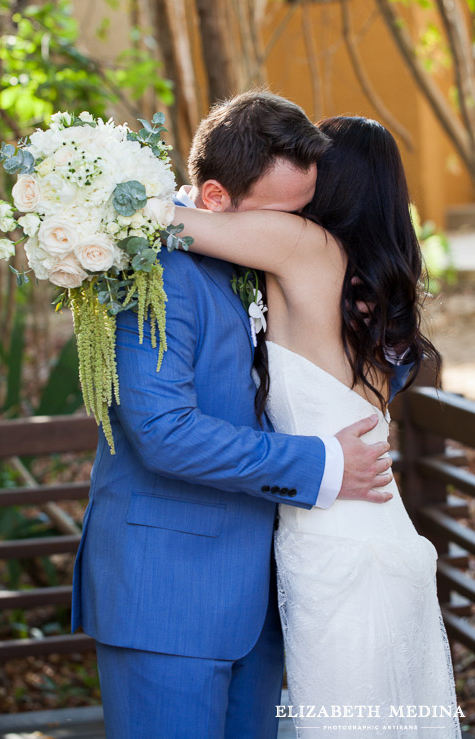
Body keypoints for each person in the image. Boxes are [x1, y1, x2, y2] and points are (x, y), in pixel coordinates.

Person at [71, 92, 412, 739]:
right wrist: (322, 464)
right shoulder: (159, 273)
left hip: (266, 598)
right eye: (285, 216)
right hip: (169, 594)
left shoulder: (280, 275)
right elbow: (162, 431)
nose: (301, 229)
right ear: (216, 202)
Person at [171, 113, 461, 737]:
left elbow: (162, 223)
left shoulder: (303, 247)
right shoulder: (367, 288)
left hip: (337, 549)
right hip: (376, 532)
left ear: (330, 181)